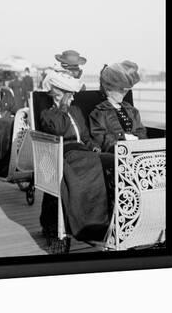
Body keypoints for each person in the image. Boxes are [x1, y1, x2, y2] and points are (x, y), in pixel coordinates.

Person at [38, 70, 114, 242]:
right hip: (66, 154)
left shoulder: (76, 111)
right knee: (95, 168)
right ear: (59, 95)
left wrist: (95, 148)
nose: (73, 99)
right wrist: (63, 106)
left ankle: (107, 218)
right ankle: (88, 225)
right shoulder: (48, 114)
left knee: (109, 162)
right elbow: (59, 129)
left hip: (84, 152)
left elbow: (86, 137)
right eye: (69, 95)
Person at [90, 61, 147, 153]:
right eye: (120, 90)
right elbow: (100, 137)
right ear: (108, 90)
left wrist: (138, 141)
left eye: (125, 90)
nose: (124, 93)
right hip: (117, 152)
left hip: (138, 149)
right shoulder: (99, 112)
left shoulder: (132, 110)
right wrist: (123, 139)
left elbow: (141, 131)